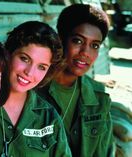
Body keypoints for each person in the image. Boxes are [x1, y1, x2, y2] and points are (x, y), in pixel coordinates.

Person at [0, 21, 72, 157]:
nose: (29, 72)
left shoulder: (49, 118)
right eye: (24, 59)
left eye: (41, 67)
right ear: (8, 53)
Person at [37, 4, 115, 157]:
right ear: (61, 39)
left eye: (94, 45)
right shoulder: (33, 88)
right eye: (78, 41)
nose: (86, 53)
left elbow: (106, 151)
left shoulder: (98, 95)